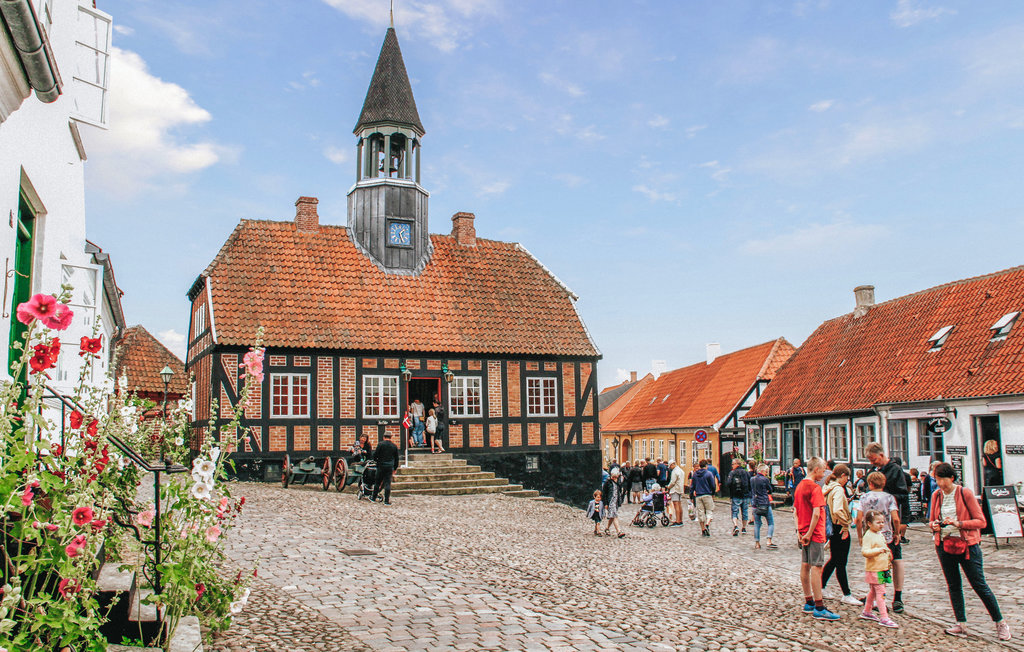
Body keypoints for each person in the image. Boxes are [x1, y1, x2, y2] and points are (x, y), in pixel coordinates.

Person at [928, 462, 1011, 640]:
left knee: (979, 585)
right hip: (944, 544)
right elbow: (931, 519)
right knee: (953, 585)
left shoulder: (964, 493)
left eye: (943, 480)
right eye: (937, 480)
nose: (940, 484)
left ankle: (1000, 622)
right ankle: (961, 623)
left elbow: (981, 522)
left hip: (967, 545)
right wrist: (934, 525)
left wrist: (959, 524)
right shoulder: (936, 495)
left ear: (951, 478)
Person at [794, 457, 840, 621]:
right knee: (816, 567)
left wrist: (800, 531)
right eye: (822, 470)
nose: (824, 473)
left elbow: (796, 511)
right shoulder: (814, 488)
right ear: (816, 470)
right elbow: (816, 513)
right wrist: (809, 533)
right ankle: (819, 606)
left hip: (804, 531)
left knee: (805, 565)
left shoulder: (800, 486)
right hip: (814, 534)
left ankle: (809, 601)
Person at [865, 442, 908, 613]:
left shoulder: (895, 470)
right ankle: (877, 594)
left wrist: (884, 498)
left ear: (881, 455)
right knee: (878, 562)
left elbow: (903, 495)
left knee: (895, 560)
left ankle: (898, 597)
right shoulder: (875, 471)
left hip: (890, 524)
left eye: (874, 460)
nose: (872, 464)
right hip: (875, 528)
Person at [856, 472, 900, 613]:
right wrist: (897, 533)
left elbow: (858, 519)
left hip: (870, 537)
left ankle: (874, 597)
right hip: (886, 537)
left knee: (873, 567)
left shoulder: (864, 497)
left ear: (870, 484)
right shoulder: (889, 498)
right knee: (885, 567)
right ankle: (881, 596)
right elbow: (896, 518)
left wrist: (860, 536)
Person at [821, 464, 860, 606]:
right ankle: (846, 594)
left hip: (833, 527)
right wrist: (846, 523)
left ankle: (821, 586)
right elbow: (837, 510)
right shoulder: (838, 490)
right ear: (842, 475)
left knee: (834, 560)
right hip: (839, 527)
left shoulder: (828, 487)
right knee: (841, 562)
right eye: (847, 478)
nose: (847, 481)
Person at [860, 510, 898, 628]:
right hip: (875, 568)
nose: (881, 524)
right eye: (878, 522)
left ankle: (867, 611)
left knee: (874, 591)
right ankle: (884, 616)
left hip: (883, 567)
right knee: (881, 592)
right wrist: (878, 551)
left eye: (882, 522)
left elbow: (884, 546)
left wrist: (888, 554)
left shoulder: (879, 534)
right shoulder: (868, 536)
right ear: (869, 523)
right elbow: (865, 551)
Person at [751, 464, 776, 550]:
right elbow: (770, 489)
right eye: (766, 472)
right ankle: (769, 540)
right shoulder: (765, 479)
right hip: (765, 503)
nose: (766, 473)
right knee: (771, 523)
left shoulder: (752, 479)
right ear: (763, 471)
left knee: (757, 524)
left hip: (755, 504)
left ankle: (757, 543)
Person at [691, 459, 718, 537]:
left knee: (700, 512)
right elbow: (712, 485)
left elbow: (692, 486)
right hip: (707, 494)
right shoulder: (709, 474)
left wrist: (691, 496)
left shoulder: (695, 474)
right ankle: (707, 524)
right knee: (709, 511)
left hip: (698, 495)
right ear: (706, 466)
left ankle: (703, 529)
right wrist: (713, 493)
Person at [371, 432, 399, 505]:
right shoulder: (394, 446)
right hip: (389, 466)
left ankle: (373, 498)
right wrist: (395, 468)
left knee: (377, 482)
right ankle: (386, 501)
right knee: (387, 483)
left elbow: (375, 455)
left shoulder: (380, 444)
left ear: (384, 437)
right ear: (391, 437)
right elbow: (397, 459)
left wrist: (376, 461)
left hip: (381, 465)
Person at [726, 458, 751, 536]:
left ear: (737, 464)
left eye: (733, 464)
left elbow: (728, 483)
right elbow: (750, 483)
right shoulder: (746, 473)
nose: (732, 466)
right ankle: (744, 528)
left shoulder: (732, 473)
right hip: (746, 495)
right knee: (745, 512)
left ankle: (736, 526)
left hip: (736, 495)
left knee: (735, 511)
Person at [602, 468, 626, 538]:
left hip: (616, 502)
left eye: (616, 477)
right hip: (610, 502)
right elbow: (604, 494)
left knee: (612, 516)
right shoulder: (607, 482)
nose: (614, 478)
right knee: (615, 516)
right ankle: (619, 531)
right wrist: (605, 503)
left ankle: (607, 528)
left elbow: (619, 491)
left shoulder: (618, 482)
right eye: (613, 477)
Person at [665, 459, 685, 526]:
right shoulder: (681, 470)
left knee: (676, 505)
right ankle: (680, 520)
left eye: (670, 466)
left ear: (673, 464)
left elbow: (673, 482)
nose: (670, 468)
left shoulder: (675, 471)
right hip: (680, 489)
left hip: (675, 489)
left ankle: (678, 521)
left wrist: (668, 487)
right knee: (679, 505)